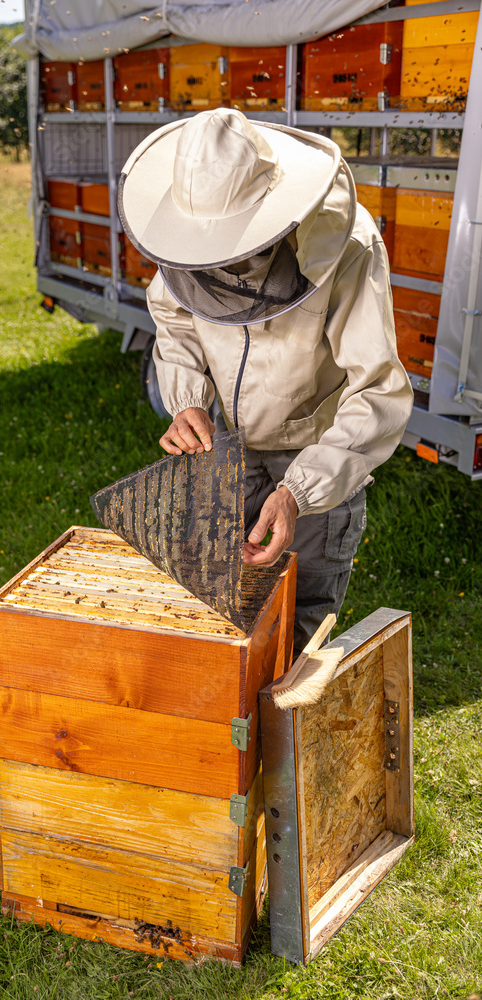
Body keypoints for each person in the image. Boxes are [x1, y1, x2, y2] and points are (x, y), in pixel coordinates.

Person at [117, 108, 413, 654]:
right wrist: (187, 399)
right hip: (226, 448)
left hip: (312, 455)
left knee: (294, 626)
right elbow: (175, 316)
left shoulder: (348, 246)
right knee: (218, 610)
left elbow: (376, 389)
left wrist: (300, 492)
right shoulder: (185, 235)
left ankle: (277, 736)